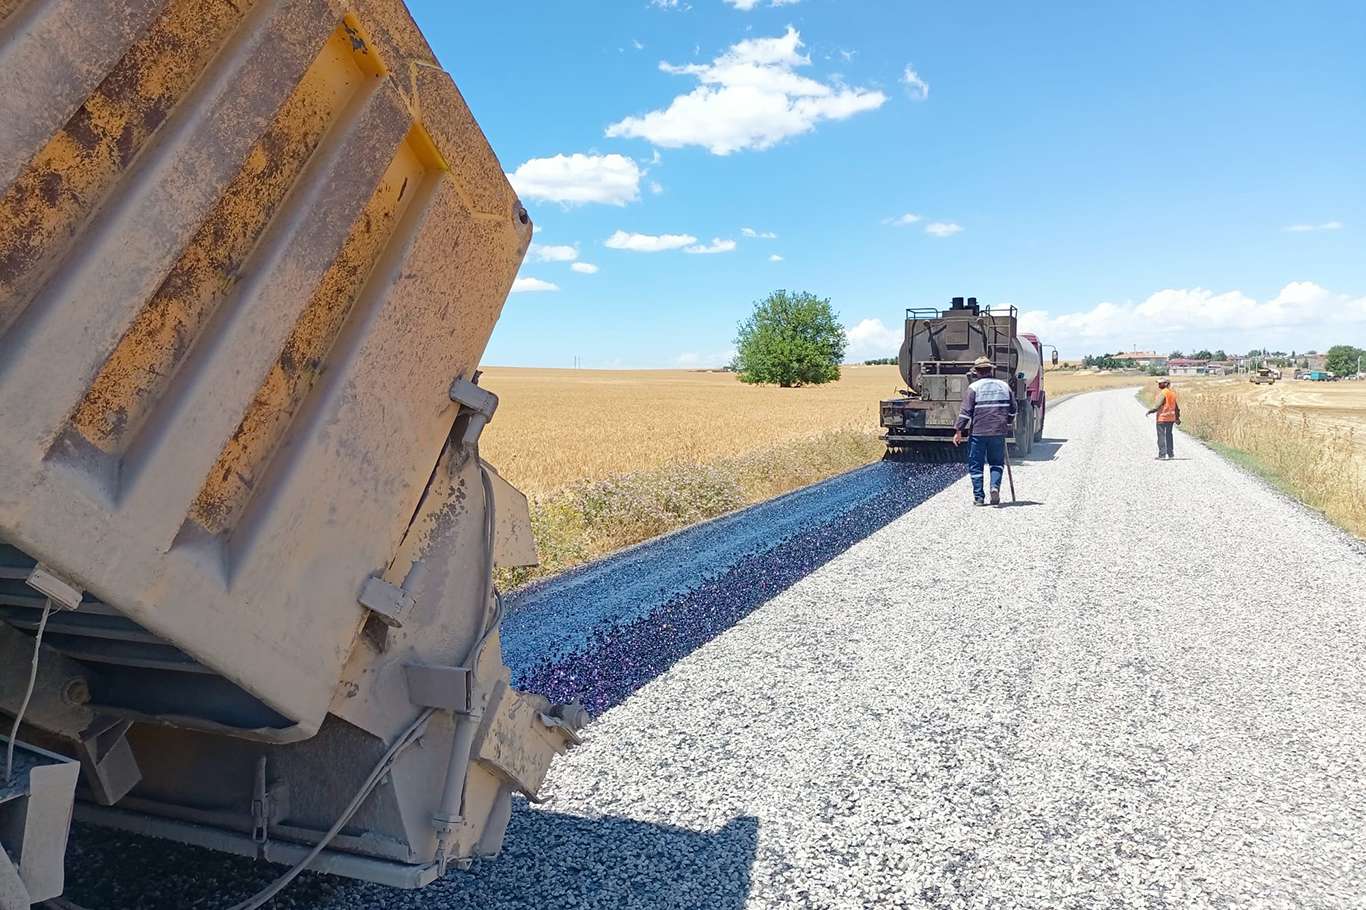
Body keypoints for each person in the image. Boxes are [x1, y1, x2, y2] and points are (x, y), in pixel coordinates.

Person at [953, 356, 1016, 506]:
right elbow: (1013, 409)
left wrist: (958, 431)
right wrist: (1006, 422)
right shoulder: (1004, 386)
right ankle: (994, 487)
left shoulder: (974, 388)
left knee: (976, 464)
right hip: (998, 431)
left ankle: (979, 498)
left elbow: (965, 412)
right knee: (996, 463)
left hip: (978, 433)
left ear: (976, 372)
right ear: (990, 370)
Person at [1146, 378, 1181, 459]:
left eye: (1160, 383)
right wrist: (1177, 418)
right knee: (1169, 435)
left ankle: (1162, 455)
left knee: (1161, 436)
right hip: (1171, 418)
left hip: (1162, 418)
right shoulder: (1172, 394)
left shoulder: (1163, 393)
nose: (1159, 385)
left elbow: (1157, 405)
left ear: (1166, 384)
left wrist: (1150, 411)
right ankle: (1170, 454)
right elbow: (1176, 408)